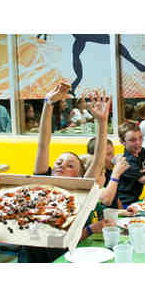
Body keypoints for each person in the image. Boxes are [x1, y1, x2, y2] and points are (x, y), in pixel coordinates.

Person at [19, 81, 114, 263]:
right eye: (59, 162)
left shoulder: (81, 192)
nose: (61, 166)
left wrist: (102, 122)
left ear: (79, 177)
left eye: (70, 166)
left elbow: (98, 161)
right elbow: (43, 143)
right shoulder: (43, 184)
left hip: (62, 258)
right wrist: (48, 104)